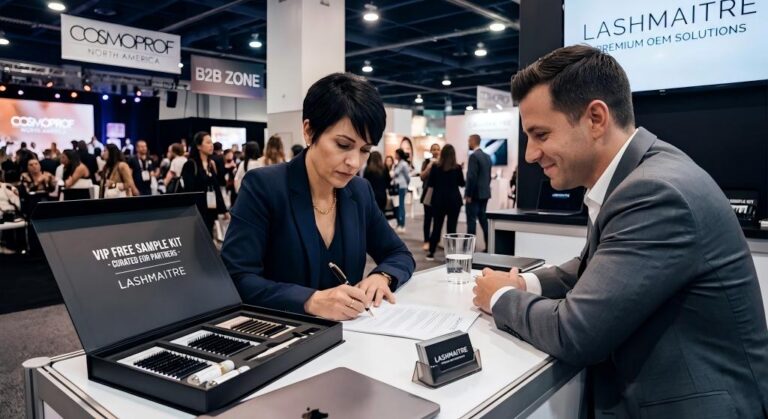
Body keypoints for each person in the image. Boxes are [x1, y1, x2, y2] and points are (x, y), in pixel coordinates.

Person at [472, 45, 768, 417]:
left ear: (596, 118)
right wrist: (526, 285)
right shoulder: (641, 175)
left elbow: (574, 333)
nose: (531, 154)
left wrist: (499, 297)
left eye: (541, 134)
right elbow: (591, 268)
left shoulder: (655, 192)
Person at [222, 72, 415, 320]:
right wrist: (309, 301)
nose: (354, 162)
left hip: (353, 338)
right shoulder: (264, 187)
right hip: (284, 336)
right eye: (343, 145)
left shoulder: (359, 191)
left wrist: (382, 276)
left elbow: (399, 254)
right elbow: (236, 277)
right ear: (309, 131)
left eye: (365, 150)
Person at [424, 144, 464, 261]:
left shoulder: (436, 167)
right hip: (454, 201)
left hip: (438, 201)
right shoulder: (457, 168)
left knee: (437, 227)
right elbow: (462, 183)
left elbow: (430, 184)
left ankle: (431, 252)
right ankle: (452, 255)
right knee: (452, 229)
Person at [181, 132, 226, 234]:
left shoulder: (211, 164)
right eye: (208, 142)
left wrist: (223, 209)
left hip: (210, 209)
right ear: (198, 146)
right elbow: (189, 190)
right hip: (197, 212)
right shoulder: (191, 165)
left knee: (209, 238)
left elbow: (216, 188)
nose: (211, 145)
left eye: (211, 142)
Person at [465, 134, 492, 251]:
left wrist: (468, 194)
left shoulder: (473, 156)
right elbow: (489, 177)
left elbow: (471, 177)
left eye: (469, 141)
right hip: (484, 194)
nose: (468, 143)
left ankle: (470, 249)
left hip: (474, 195)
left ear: (472, 141)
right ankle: (489, 247)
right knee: (483, 220)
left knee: (471, 222)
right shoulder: (487, 157)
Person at [420, 143, 441, 251]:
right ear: (430, 151)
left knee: (438, 219)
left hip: (439, 195)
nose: (436, 151)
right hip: (428, 193)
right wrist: (429, 167)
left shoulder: (443, 163)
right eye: (434, 149)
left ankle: (435, 240)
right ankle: (426, 240)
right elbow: (422, 177)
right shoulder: (426, 162)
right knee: (427, 219)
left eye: (438, 149)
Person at [391, 148, 410, 233]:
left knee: (401, 205)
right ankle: (399, 223)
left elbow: (407, 176)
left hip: (402, 187)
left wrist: (406, 185)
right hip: (397, 186)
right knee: (397, 205)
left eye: (396, 154)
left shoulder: (403, 164)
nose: (395, 156)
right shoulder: (398, 163)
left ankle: (402, 225)